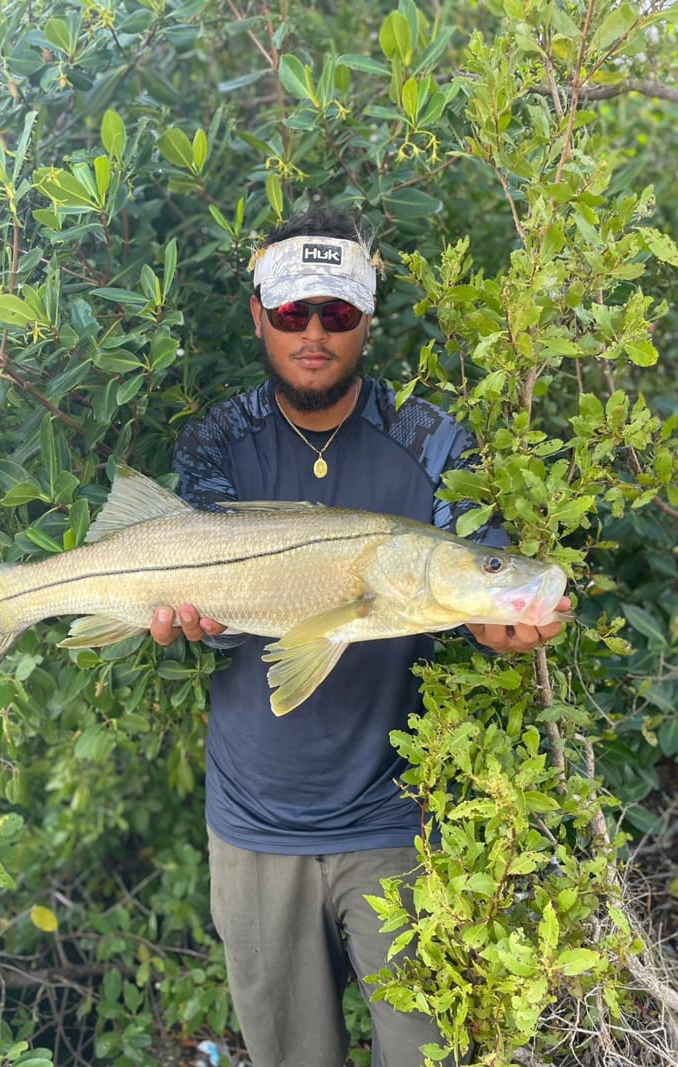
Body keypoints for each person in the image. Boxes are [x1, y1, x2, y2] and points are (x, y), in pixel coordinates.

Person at [150, 204, 569, 1067]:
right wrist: (190, 622)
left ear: (367, 318)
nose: (314, 332)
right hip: (254, 827)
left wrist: (500, 618)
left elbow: (476, 573)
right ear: (257, 314)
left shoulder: (430, 438)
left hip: (395, 823)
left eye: (337, 313)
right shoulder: (214, 443)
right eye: (294, 311)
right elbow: (226, 621)